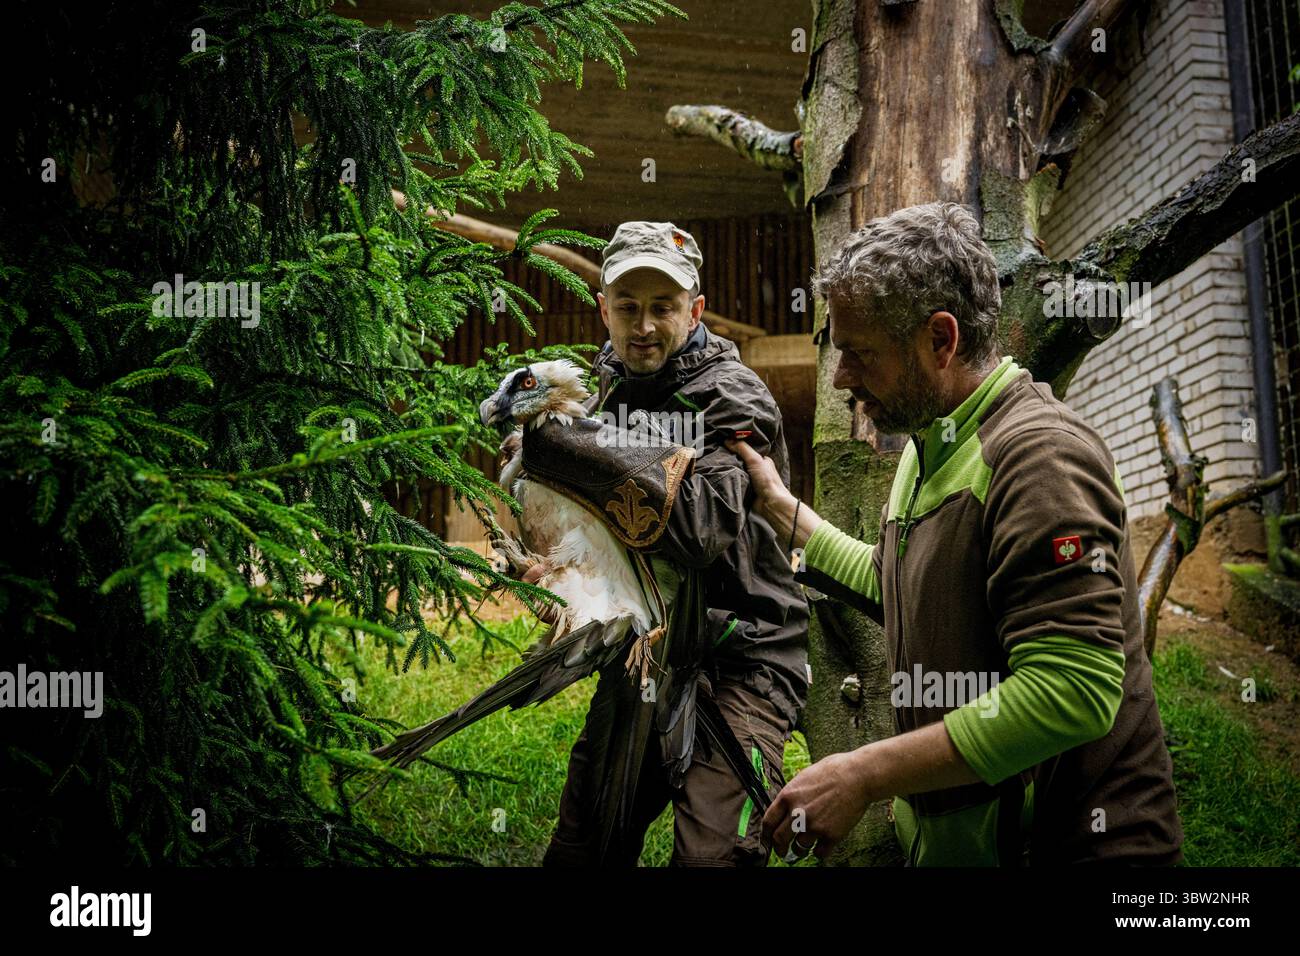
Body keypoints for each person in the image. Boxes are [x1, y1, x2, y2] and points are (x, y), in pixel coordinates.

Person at [728, 201, 1184, 866]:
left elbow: (1072, 693)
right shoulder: (932, 444)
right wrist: (779, 508)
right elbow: (905, 584)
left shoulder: (1040, 458)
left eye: (859, 353)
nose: (839, 377)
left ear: (941, 341)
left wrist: (864, 773)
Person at [537, 221, 809, 866]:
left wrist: (573, 447)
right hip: (648, 649)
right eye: (627, 308)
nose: (644, 326)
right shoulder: (603, 387)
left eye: (664, 307)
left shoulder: (730, 396)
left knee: (713, 859)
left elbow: (697, 530)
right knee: (583, 845)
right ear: (603, 309)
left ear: (697, 309)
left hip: (742, 650)